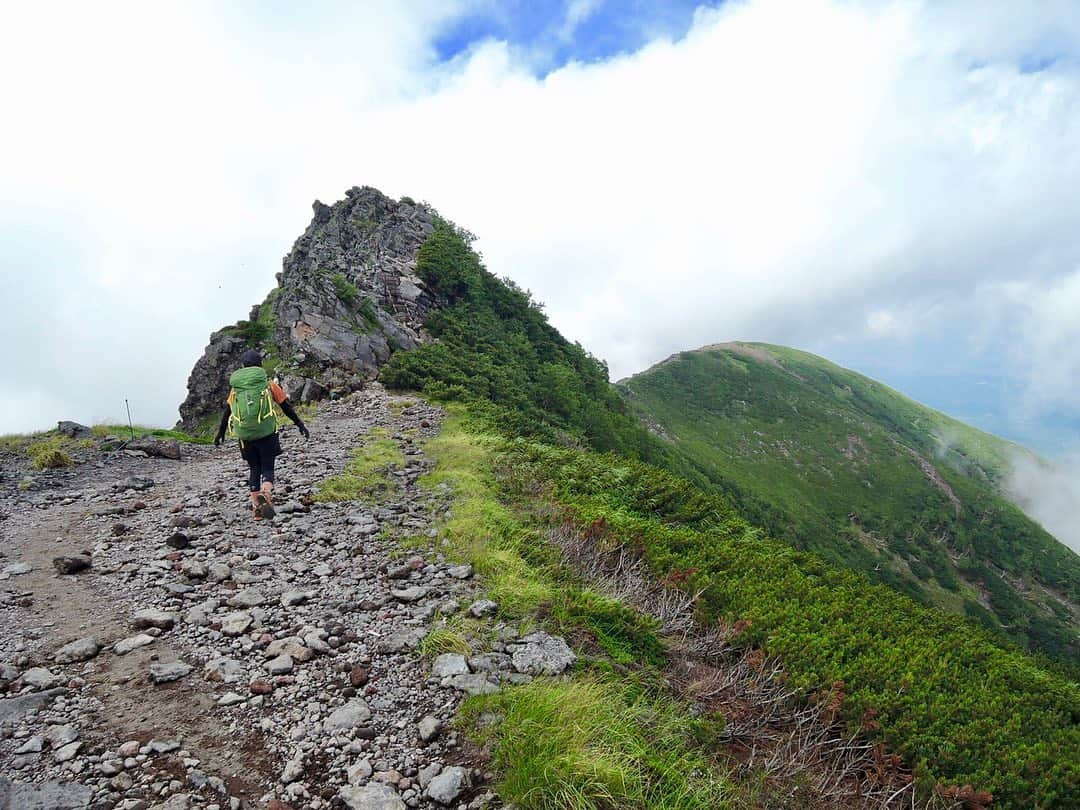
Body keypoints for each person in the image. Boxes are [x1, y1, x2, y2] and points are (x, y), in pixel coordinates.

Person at [214, 349, 309, 520]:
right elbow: (285, 406)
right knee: (267, 468)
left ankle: (257, 509)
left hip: (245, 436)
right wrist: (300, 424)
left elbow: (227, 412)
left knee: (254, 469)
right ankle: (266, 492)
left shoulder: (236, 389)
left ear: (243, 366)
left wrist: (220, 433)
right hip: (267, 433)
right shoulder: (268, 383)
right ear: (260, 365)